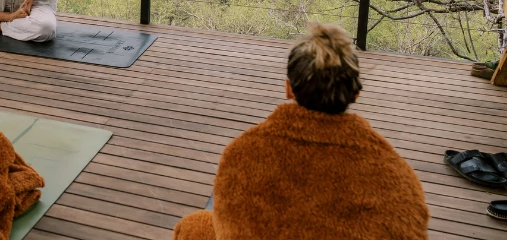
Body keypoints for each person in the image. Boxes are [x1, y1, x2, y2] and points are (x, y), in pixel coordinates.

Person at [173, 22, 429, 240]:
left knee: (193, 226)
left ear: (288, 89)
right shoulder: (397, 178)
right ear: (356, 93)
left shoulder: (243, 154)